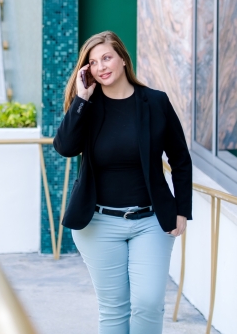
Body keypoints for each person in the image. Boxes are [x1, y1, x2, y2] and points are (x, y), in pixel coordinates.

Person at [53, 31, 192, 334]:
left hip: (151, 221)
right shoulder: (87, 107)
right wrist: (81, 99)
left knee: (148, 303)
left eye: (107, 57)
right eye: (93, 62)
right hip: (99, 224)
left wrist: (182, 210)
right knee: (114, 310)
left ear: (122, 58)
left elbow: (180, 158)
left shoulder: (155, 102)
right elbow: (64, 147)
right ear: (86, 70)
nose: (101, 66)